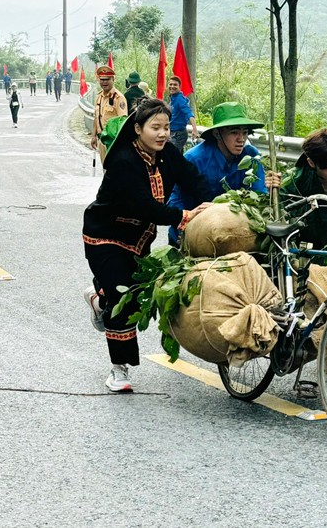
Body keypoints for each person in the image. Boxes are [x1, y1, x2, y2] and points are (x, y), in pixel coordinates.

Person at [82, 99, 213, 392]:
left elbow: (193, 179)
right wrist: (184, 215)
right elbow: (143, 207)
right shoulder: (124, 161)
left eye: (166, 127)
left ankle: (97, 297)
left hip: (139, 240)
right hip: (104, 236)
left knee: (131, 293)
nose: (163, 133)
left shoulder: (167, 153)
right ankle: (120, 370)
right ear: (138, 129)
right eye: (155, 127)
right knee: (121, 297)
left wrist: (211, 205)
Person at [166, 102, 271, 244]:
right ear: (217, 134)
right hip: (193, 231)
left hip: (232, 233)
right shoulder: (194, 159)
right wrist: (184, 227)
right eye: (234, 132)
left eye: (245, 132)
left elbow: (259, 195)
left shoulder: (251, 156)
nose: (241, 139)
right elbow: (175, 198)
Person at [90, 65, 127, 163]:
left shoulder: (119, 98)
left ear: (113, 79)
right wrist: (93, 136)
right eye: (102, 80)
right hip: (101, 140)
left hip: (113, 141)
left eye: (107, 79)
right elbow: (96, 118)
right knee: (105, 169)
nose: (104, 82)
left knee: (114, 171)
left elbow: (122, 122)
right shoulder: (99, 96)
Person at [167, 76, 198, 152]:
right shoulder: (173, 98)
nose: (172, 86)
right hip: (172, 132)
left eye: (175, 85)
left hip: (178, 134)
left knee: (172, 156)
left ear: (179, 87)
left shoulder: (180, 99)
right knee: (177, 158)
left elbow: (188, 112)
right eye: (170, 84)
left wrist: (194, 129)